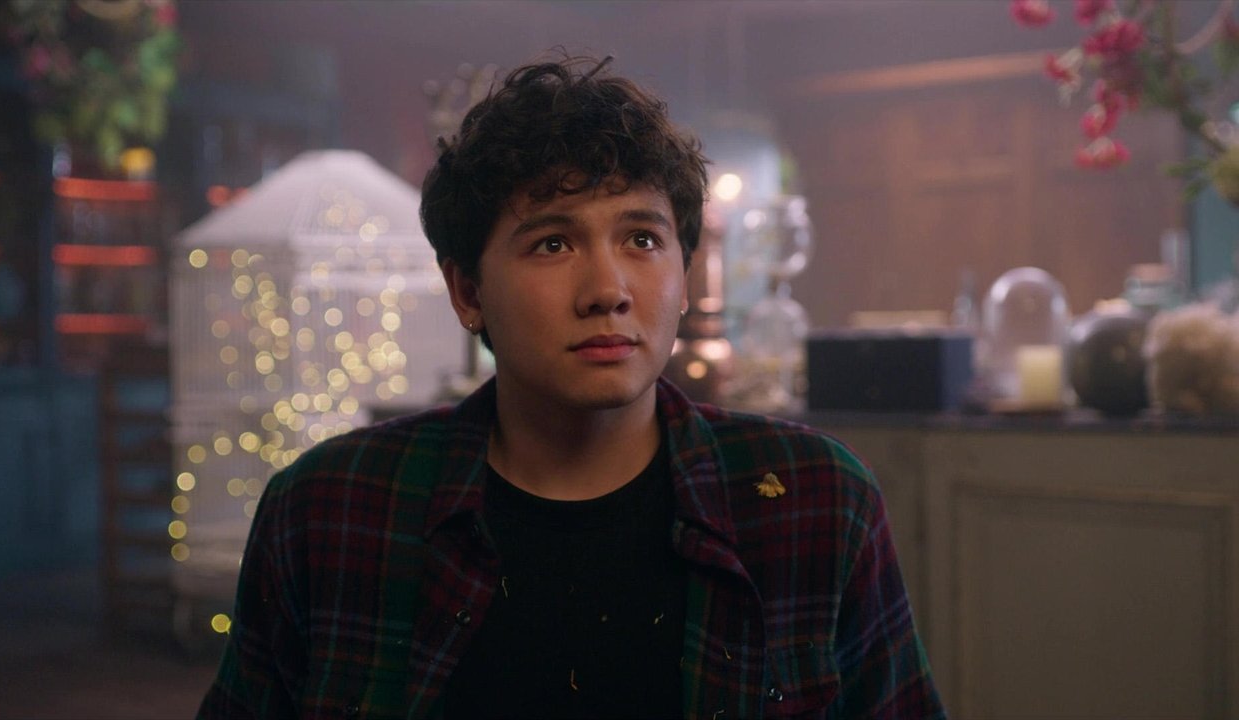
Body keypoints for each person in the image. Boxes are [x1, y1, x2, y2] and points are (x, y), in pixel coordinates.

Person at [198, 54, 945, 719]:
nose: (608, 291)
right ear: (467, 291)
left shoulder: (810, 501)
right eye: (553, 243)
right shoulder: (333, 510)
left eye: (642, 239)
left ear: (685, 276)